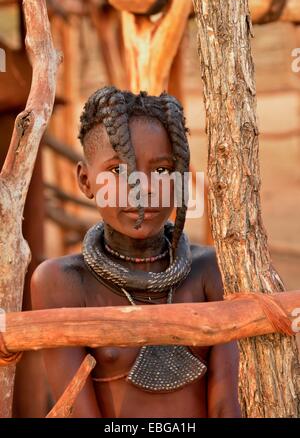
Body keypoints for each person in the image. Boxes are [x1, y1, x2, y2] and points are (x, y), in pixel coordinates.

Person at [31, 86, 241, 418]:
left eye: (161, 171)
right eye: (118, 171)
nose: (142, 190)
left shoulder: (210, 271)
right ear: (86, 180)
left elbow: (226, 406)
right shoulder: (62, 282)